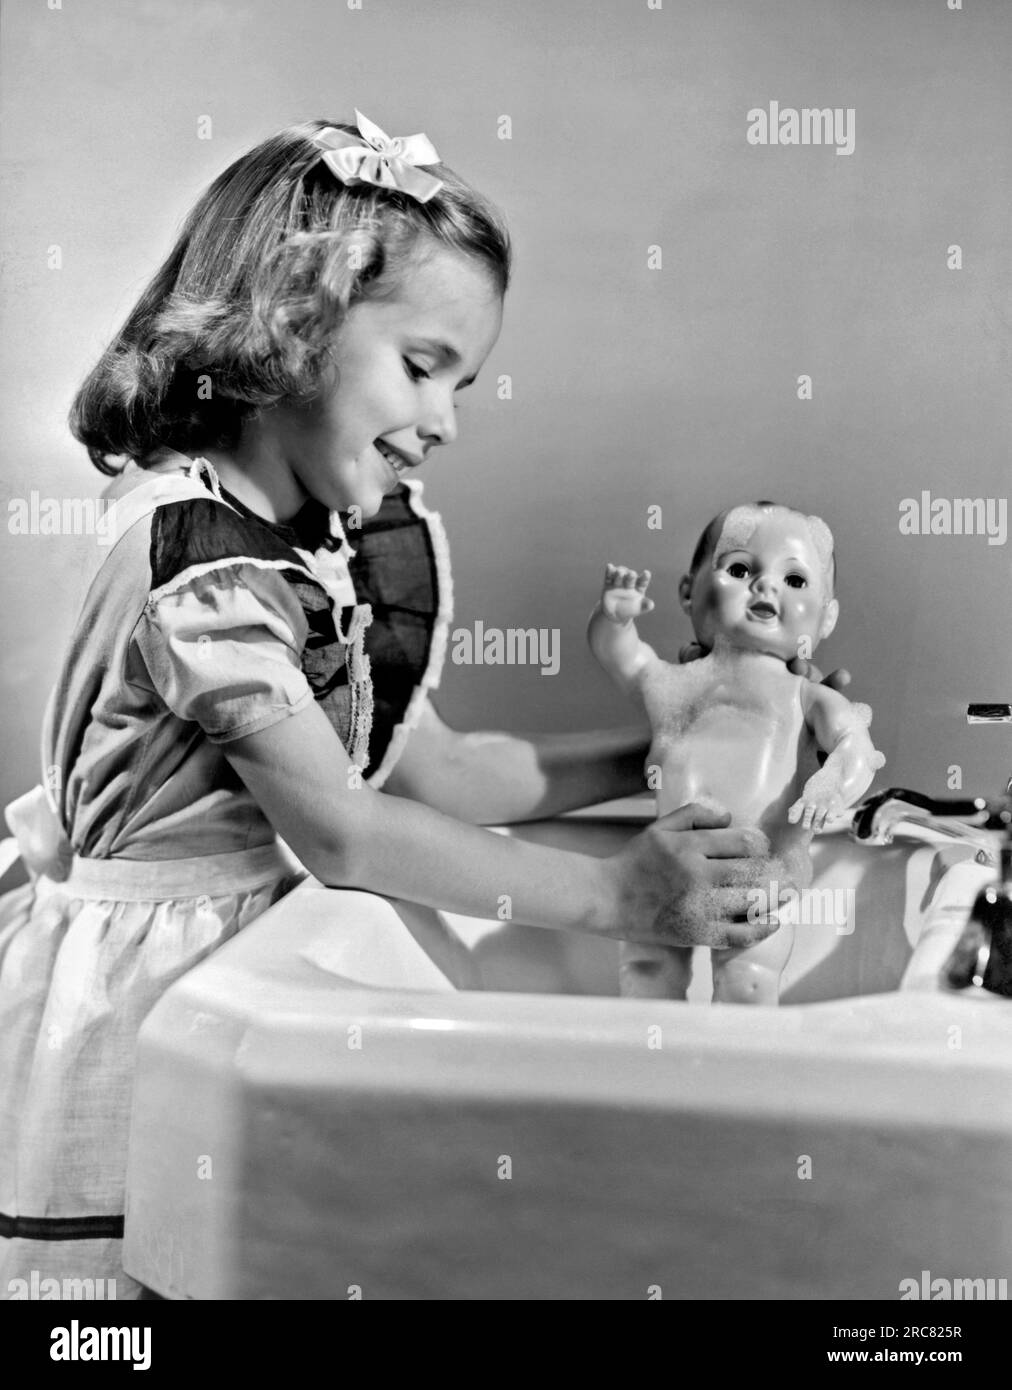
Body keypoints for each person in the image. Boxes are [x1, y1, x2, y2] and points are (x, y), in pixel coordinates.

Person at [0, 111, 805, 1298]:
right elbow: (342, 830)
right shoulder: (200, 561)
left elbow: (434, 771)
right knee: (129, 1297)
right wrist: (616, 892)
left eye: (462, 381)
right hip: (148, 986)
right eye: (422, 365)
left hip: (250, 952)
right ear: (288, 324)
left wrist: (663, 746)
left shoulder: (314, 543)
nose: (445, 419)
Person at [588, 501, 885, 1004]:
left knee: (747, 978)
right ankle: (652, 1069)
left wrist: (830, 782)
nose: (765, 586)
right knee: (645, 968)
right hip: (666, 865)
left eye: (795, 580)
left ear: (827, 617)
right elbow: (625, 658)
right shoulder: (674, 684)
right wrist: (612, 620)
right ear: (688, 592)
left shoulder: (806, 698)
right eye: (741, 569)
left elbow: (855, 744)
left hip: (755, 872)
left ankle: (729, 1072)